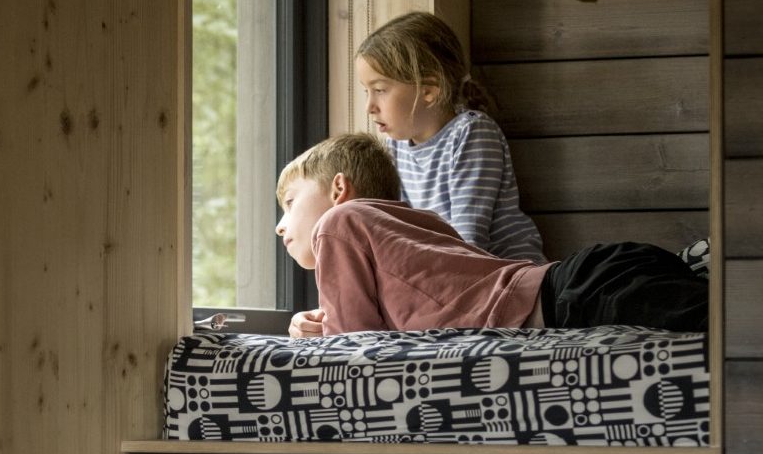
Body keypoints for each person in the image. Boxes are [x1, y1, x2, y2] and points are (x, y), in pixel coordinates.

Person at [276, 133, 708, 338]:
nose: (281, 224)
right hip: (587, 280)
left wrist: (313, 331)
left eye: (290, 202)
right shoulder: (415, 225)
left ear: (338, 189)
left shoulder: (338, 223)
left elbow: (357, 348)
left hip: (579, 294)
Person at [356, 11, 545, 263]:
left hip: (508, 279)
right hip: (452, 271)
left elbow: (469, 240)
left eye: (379, 90)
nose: (369, 107)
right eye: (366, 91)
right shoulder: (396, 146)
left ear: (429, 90)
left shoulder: (472, 134)